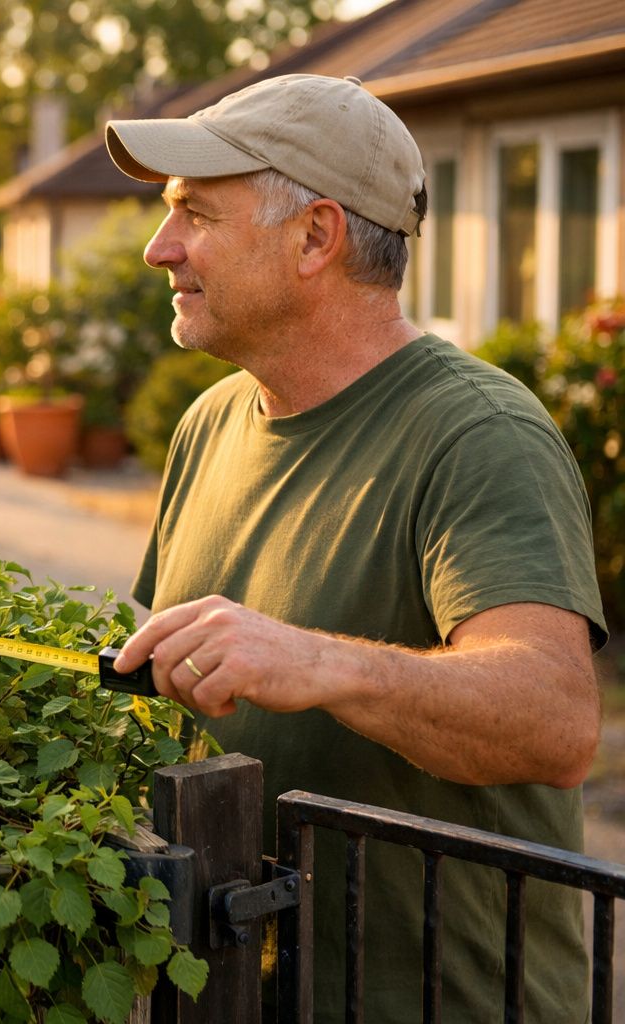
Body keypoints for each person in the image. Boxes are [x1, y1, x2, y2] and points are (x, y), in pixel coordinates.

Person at [104, 74, 605, 1020]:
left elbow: (556, 720)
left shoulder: (478, 434)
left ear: (315, 237)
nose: (158, 248)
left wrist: (318, 661)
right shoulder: (210, 422)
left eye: (196, 214)